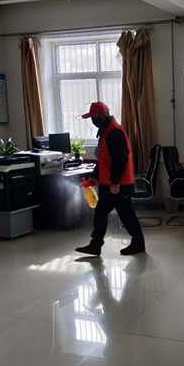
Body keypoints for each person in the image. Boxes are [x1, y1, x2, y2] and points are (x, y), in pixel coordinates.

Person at [75, 102, 145, 256]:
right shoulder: (106, 131)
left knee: (125, 214)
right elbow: (103, 160)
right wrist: (94, 178)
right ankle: (96, 244)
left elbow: (120, 160)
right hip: (109, 183)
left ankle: (138, 243)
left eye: (93, 116)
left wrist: (115, 182)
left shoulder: (114, 132)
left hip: (119, 185)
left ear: (101, 115)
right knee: (101, 212)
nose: (92, 120)